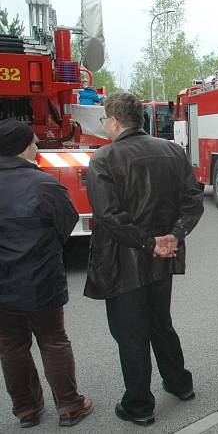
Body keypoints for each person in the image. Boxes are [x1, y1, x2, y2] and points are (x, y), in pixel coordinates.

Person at [85, 93, 204, 426]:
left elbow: (108, 216)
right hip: (159, 258)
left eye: (103, 120)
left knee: (131, 332)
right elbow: (193, 203)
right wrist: (172, 237)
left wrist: (150, 242)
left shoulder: (104, 159)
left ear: (113, 120)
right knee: (160, 322)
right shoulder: (171, 151)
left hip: (124, 260)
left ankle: (139, 405)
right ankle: (180, 383)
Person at [0, 119, 94, 428]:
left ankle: (26, 409)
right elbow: (66, 223)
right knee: (53, 340)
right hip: (41, 277)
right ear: (21, 147)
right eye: (33, 143)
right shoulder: (44, 183)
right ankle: (69, 405)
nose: (37, 147)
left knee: (11, 344)